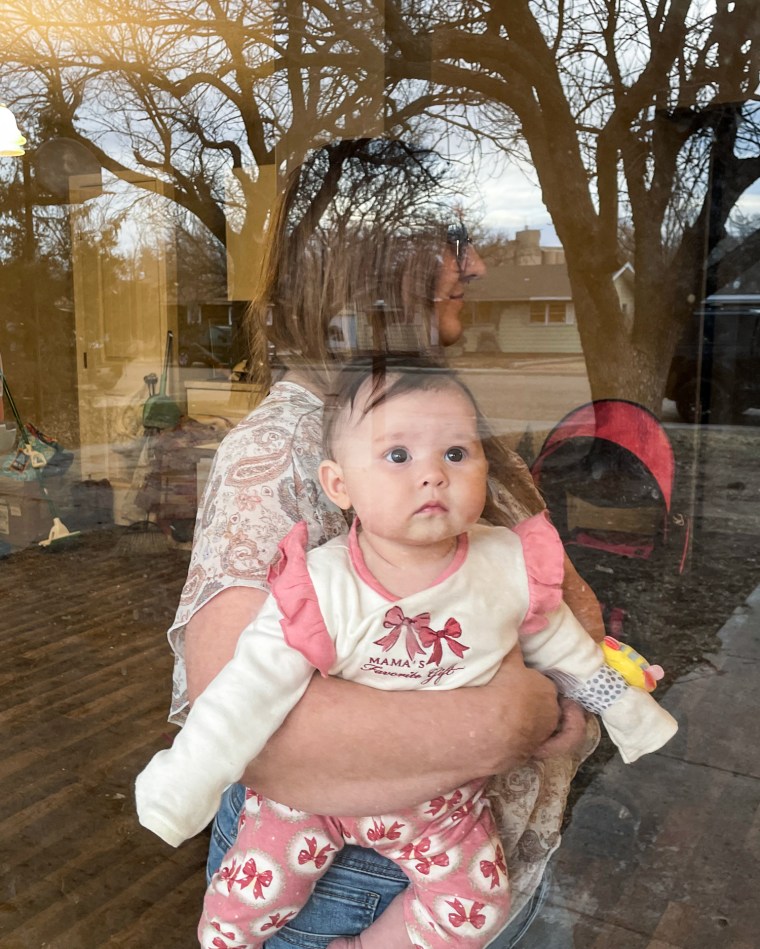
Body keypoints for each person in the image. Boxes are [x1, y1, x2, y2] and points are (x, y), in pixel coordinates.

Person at [162, 137, 606, 948]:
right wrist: (512, 718)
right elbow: (249, 725)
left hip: (466, 874)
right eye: (451, 238)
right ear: (381, 262)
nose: (473, 265)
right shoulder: (285, 451)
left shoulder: (427, 416)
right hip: (356, 891)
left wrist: (580, 691)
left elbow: (534, 596)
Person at [136, 360, 677, 949]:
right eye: (398, 456)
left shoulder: (505, 566)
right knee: (237, 912)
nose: (432, 476)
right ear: (339, 485)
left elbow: (568, 651)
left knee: (476, 908)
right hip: (311, 801)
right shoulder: (322, 583)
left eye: (455, 454)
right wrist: (182, 788)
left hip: (442, 806)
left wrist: (629, 714)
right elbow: (248, 691)